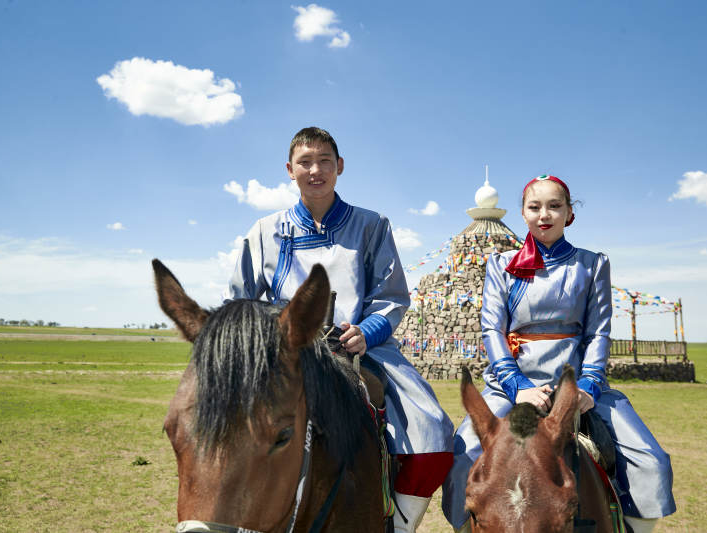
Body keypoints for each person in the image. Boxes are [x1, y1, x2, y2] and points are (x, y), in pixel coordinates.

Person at [226, 127, 455, 532]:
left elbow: (392, 297)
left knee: (433, 431)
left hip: (360, 347)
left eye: (324, 161)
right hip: (285, 352)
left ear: (340, 166)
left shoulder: (372, 225)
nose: (315, 170)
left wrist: (366, 331)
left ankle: (398, 525)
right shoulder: (264, 231)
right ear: (289, 170)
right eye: (305, 162)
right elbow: (241, 301)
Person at [441, 175, 676, 533]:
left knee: (651, 461)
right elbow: (492, 330)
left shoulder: (592, 264)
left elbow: (598, 332)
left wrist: (588, 386)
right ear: (522, 213)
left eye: (555, 206)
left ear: (569, 214)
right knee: (463, 459)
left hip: (579, 385)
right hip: (512, 387)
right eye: (534, 207)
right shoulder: (500, 265)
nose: (544, 215)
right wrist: (517, 385)